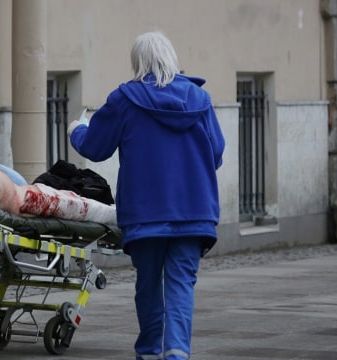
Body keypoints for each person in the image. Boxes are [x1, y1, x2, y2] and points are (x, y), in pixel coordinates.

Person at [67, 31, 225, 360]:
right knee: (181, 283)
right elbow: (217, 153)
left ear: (137, 62)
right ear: (172, 58)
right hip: (194, 209)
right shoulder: (200, 99)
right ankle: (177, 353)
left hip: (146, 211)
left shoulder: (125, 99)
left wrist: (75, 130)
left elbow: (95, 147)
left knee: (149, 283)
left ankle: (151, 351)